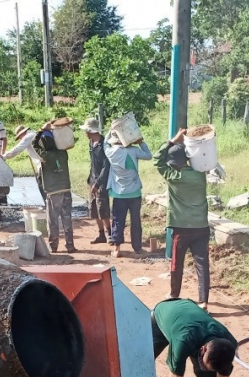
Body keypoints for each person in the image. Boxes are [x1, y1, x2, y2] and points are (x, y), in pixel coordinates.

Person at [156, 129, 211, 306]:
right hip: (201, 227)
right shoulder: (200, 175)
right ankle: (204, 301)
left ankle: (174, 295)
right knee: (202, 265)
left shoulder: (173, 177)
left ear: (174, 164)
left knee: (177, 264)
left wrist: (172, 140)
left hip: (181, 228)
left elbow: (157, 159)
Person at [104, 129, 151, 258]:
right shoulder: (134, 151)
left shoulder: (110, 152)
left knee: (118, 221)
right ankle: (137, 248)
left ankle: (117, 249)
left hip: (119, 193)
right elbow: (149, 155)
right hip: (134, 192)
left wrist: (111, 129)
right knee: (136, 220)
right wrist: (141, 142)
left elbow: (105, 144)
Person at [32, 121, 75, 253]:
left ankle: (54, 246)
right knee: (67, 218)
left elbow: (34, 144)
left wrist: (40, 129)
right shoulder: (63, 154)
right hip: (66, 190)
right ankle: (70, 245)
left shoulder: (45, 156)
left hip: (53, 192)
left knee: (53, 221)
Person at [82, 117, 110, 245]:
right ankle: (101, 234)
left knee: (102, 209)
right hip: (93, 180)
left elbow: (106, 166)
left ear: (90, 131)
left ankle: (110, 234)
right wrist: (91, 182)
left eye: (86, 131)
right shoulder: (91, 143)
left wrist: (98, 184)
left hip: (101, 182)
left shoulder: (104, 145)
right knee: (94, 208)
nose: (85, 133)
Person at [5, 125, 43, 203]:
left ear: (23, 133)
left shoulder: (28, 137)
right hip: (46, 163)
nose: (19, 139)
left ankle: (48, 206)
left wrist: (3, 157)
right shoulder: (34, 134)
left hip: (43, 165)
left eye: (19, 136)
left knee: (42, 185)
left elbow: (16, 150)